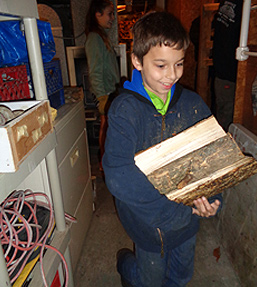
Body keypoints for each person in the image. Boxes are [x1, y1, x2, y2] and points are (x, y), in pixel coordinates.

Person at [103, 11, 222, 287]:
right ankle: (126, 265)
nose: (172, 75)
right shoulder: (125, 111)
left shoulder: (192, 104)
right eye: (160, 65)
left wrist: (213, 200)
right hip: (148, 225)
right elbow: (119, 175)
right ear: (137, 61)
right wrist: (177, 212)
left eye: (179, 64)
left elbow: (214, 157)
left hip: (188, 221)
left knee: (181, 276)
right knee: (149, 280)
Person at [85, 0, 120, 169]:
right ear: (97, 15)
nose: (112, 18)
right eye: (109, 13)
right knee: (105, 128)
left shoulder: (100, 37)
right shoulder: (94, 38)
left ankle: (105, 162)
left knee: (107, 128)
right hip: (104, 92)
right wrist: (101, 96)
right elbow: (95, 70)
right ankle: (103, 164)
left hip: (109, 91)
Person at [212, 0, 243, 131]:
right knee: (227, 120)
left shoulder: (229, 3)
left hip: (224, 71)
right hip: (230, 74)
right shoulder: (244, 5)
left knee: (224, 116)